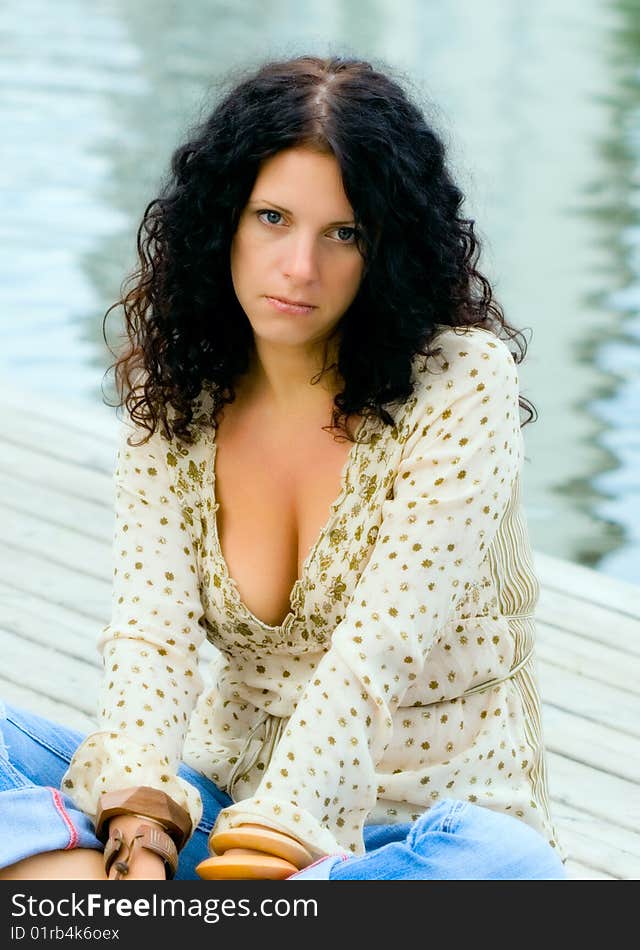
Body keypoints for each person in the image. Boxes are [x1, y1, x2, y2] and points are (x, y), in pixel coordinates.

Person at [0, 54, 566, 882]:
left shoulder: (460, 380)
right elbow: (150, 640)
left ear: (388, 251)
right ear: (221, 221)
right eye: (272, 219)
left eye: (345, 233)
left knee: (510, 871)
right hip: (216, 807)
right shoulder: (180, 396)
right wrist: (140, 827)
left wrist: (283, 833)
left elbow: (377, 655)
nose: (300, 267)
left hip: (412, 840)